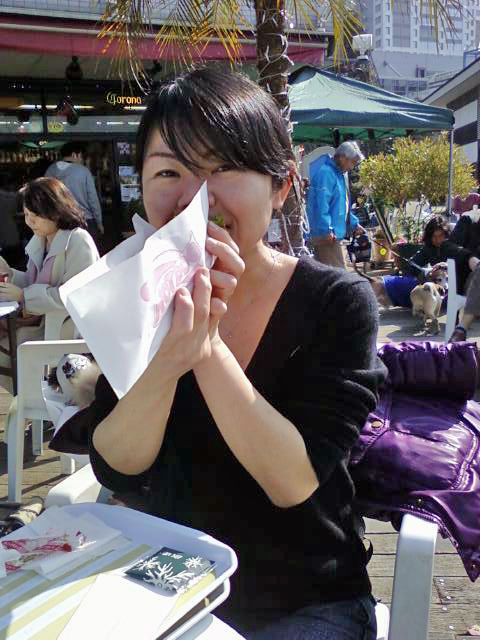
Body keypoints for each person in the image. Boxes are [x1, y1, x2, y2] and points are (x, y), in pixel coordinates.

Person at [56, 67, 385, 639]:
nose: (194, 199)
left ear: (281, 186)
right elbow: (118, 465)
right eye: (169, 171)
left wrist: (205, 347)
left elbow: (292, 481)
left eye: (225, 167)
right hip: (167, 586)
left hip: (305, 598)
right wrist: (169, 357)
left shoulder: (338, 302)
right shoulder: (139, 296)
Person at [0, 177, 99, 393]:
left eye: (35, 216)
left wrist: (24, 296)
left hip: (70, 333)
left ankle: (33, 403)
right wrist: (10, 274)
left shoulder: (78, 240)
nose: (30, 222)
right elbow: (33, 282)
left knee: (13, 354)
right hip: (47, 325)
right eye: (26, 215)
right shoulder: (42, 239)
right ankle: (27, 402)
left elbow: (75, 295)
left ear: (55, 211)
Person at [405, 216, 480, 342]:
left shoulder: (451, 246)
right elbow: (411, 266)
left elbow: (463, 257)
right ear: (429, 237)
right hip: (440, 291)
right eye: (434, 236)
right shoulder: (428, 249)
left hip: (461, 283)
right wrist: (427, 272)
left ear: (446, 234)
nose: (438, 240)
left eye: (441, 236)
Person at [306, 141, 366, 269]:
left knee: (334, 274)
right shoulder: (326, 173)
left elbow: (341, 206)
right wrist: (326, 229)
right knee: (337, 274)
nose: (352, 167)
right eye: (352, 162)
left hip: (332, 235)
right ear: (343, 158)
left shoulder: (337, 174)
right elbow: (321, 204)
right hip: (327, 236)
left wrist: (354, 223)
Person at [46, 142, 104, 245]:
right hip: (85, 221)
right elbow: (93, 200)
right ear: (74, 155)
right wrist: (99, 223)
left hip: (60, 221)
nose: (81, 160)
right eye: (81, 156)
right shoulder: (83, 171)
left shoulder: (50, 171)